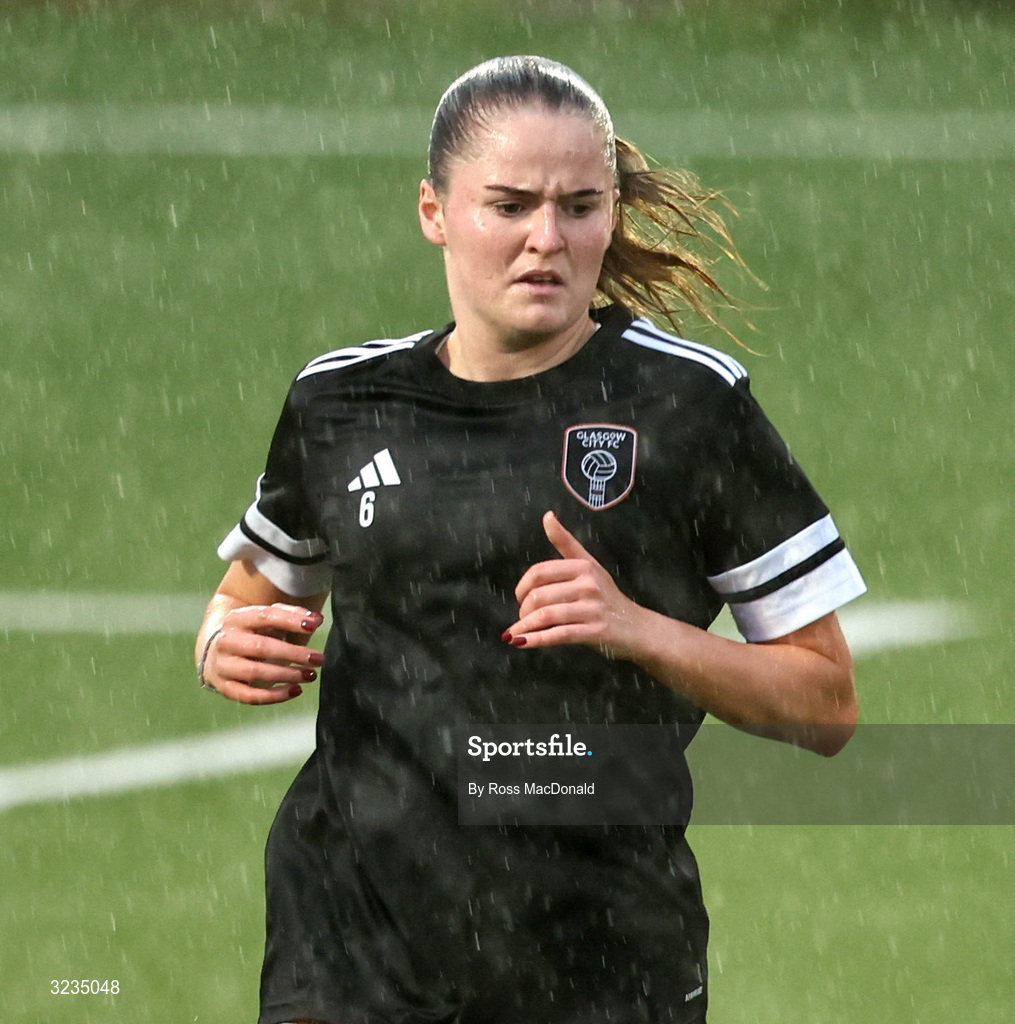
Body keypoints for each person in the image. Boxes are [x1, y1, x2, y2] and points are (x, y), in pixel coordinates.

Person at [195, 55, 866, 1024]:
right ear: (433, 210)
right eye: (508, 205)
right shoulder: (340, 401)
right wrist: (222, 639)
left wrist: (637, 627)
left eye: (580, 206)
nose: (545, 239)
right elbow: (249, 597)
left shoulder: (687, 405)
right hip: (349, 945)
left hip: (592, 953)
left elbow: (827, 703)